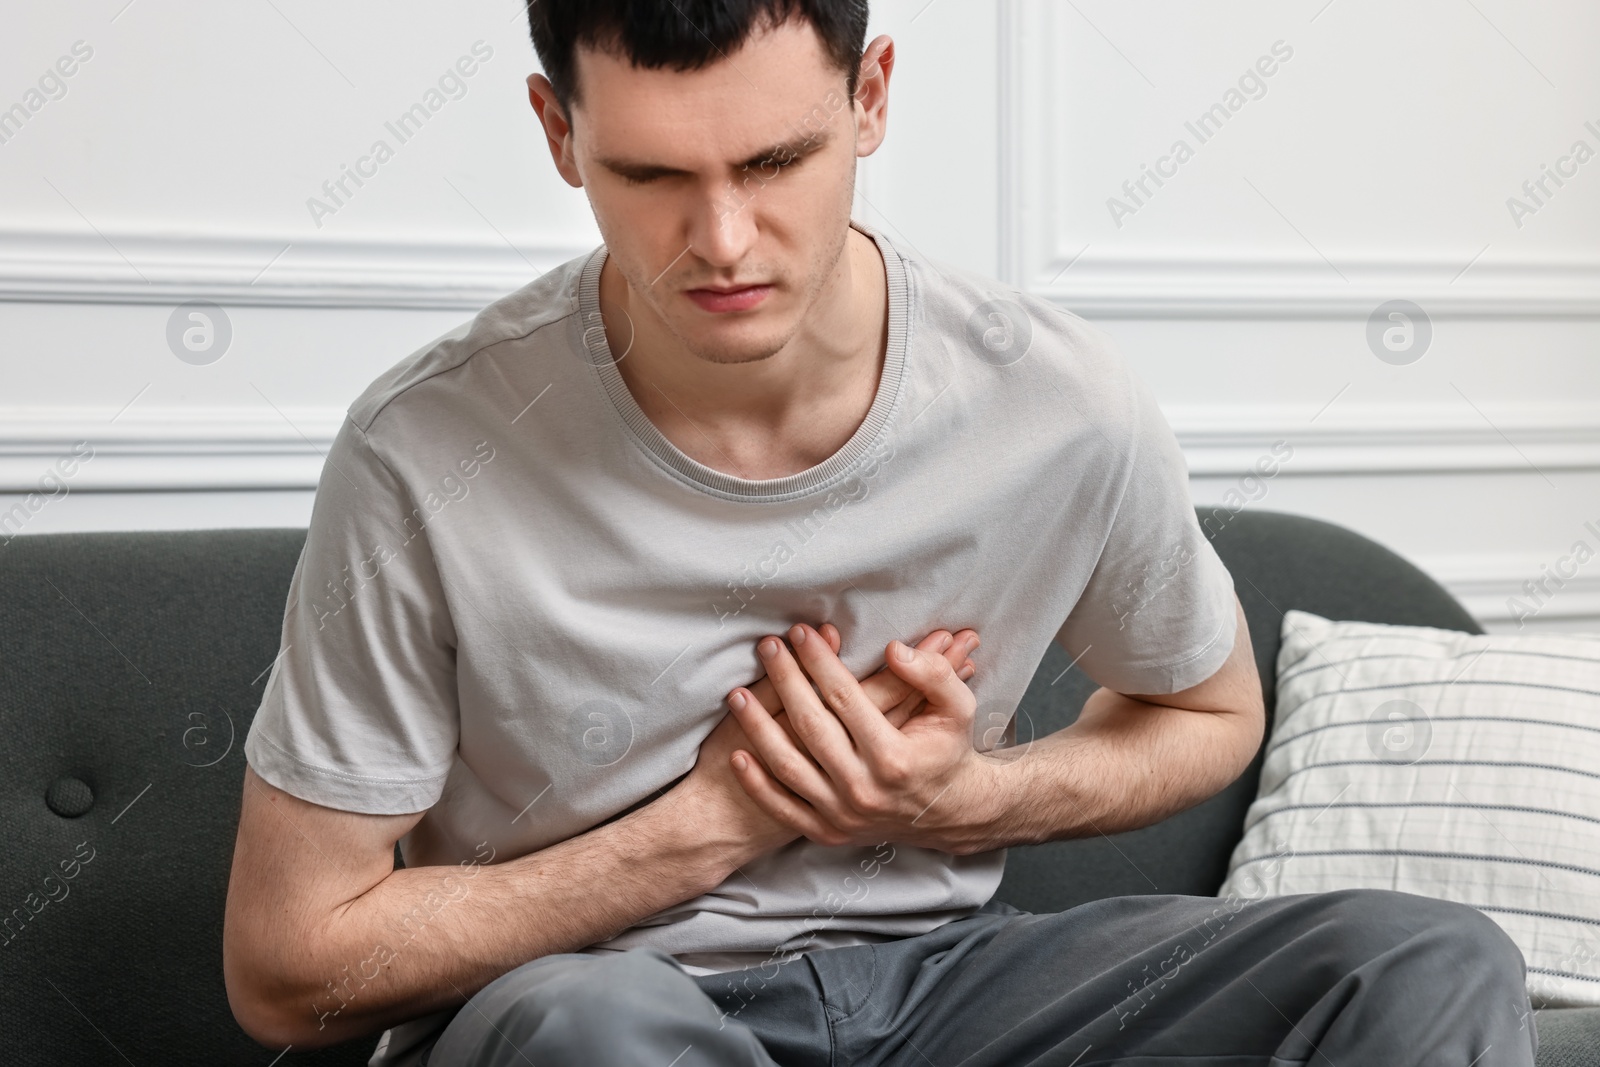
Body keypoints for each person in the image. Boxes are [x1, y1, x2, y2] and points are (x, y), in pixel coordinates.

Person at [223, 2, 1538, 1064]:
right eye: (652, 174)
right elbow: (287, 971)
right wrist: (709, 829)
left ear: (873, 96)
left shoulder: (1055, 401)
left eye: (775, 161)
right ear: (558, 133)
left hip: (938, 990)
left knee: (1429, 955)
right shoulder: (425, 452)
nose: (722, 240)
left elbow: (1206, 714)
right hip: (590, 1002)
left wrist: (974, 799)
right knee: (591, 1030)